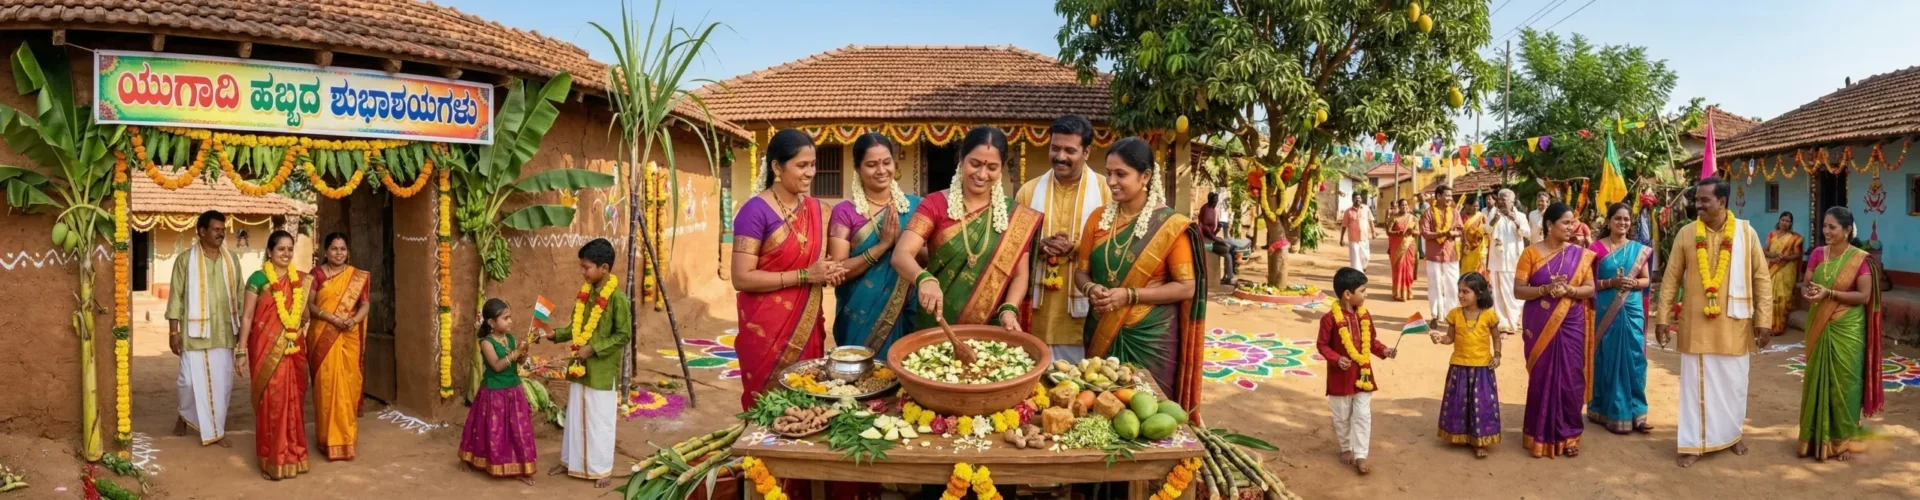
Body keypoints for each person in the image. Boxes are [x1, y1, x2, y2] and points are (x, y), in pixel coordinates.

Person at [1073, 137, 1207, 412]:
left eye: (1121, 174)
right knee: (1101, 410)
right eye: (1109, 173)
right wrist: (1091, 290)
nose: (1111, 181)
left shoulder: (1169, 226)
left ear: (1145, 176)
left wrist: (1129, 295)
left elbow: (1186, 287)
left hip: (1151, 337)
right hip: (1102, 328)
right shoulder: (1097, 219)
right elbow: (1081, 273)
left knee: (1150, 414)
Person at [1653, 177, 1772, 468]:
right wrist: (1662, 318)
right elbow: (1670, 279)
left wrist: (1764, 320)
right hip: (1696, 322)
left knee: (1734, 383)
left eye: (1704, 200)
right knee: (1695, 386)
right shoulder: (1686, 233)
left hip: (1735, 322)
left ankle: (1731, 436)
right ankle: (1694, 443)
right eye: (1697, 200)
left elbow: (1761, 278)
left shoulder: (1746, 233)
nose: (1698, 205)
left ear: (1722, 201)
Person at [732, 129, 844, 409]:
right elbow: (741, 276)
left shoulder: (820, 210)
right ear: (776, 167)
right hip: (765, 328)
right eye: (802, 165)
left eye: (813, 164)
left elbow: (825, 262)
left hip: (806, 324)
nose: (811, 173)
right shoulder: (754, 212)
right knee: (768, 408)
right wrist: (807, 275)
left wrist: (830, 271)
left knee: (808, 405)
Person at [894, 126, 1042, 331]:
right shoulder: (935, 204)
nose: (982, 174)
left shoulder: (1015, 215)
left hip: (991, 326)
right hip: (938, 322)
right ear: (961, 160)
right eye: (975, 164)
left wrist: (1009, 309)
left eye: (992, 167)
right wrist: (924, 279)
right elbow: (901, 254)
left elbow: (1020, 274)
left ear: (1001, 168)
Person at [1795, 207, 1886, 461]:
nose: (1826, 231)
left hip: (1848, 328)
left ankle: (1844, 441)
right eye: (1824, 226)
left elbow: (1864, 296)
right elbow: (1808, 283)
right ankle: (1814, 438)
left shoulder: (1860, 259)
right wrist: (1809, 292)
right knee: (1816, 379)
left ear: (1847, 231)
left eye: (1832, 227)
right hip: (1819, 323)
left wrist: (1830, 294)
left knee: (1846, 384)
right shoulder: (1816, 254)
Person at [1017, 115, 1110, 362]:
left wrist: (1078, 247)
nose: (1060, 157)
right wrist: (1038, 245)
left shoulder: (1105, 191)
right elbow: (1011, 245)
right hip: (1037, 313)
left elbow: (1116, 246)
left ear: (1087, 152)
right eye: (1055, 148)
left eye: (1070, 150)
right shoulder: (1028, 191)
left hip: (1084, 315)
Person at [543, 239, 635, 486]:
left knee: (599, 421)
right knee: (575, 417)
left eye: (587, 267)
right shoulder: (584, 294)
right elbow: (576, 327)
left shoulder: (617, 299)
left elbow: (624, 335)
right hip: (580, 368)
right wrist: (556, 335)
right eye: (582, 267)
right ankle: (570, 462)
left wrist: (593, 348)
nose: (583, 272)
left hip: (601, 370)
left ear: (604, 268)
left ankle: (601, 470)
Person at [829, 133, 923, 358]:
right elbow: (837, 270)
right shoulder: (845, 212)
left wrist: (903, 246)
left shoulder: (916, 207)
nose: (881, 170)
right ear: (858, 168)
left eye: (886, 162)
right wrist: (882, 246)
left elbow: (930, 259)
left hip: (907, 309)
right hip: (859, 314)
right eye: (872, 164)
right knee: (860, 380)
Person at [1513, 202, 1595, 459]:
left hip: (1570, 322)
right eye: (1566, 223)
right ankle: (1537, 434)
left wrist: (1570, 290)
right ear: (1550, 225)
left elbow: (1590, 289)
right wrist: (1546, 289)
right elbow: (1518, 290)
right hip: (1539, 322)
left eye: (1573, 222)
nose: (1572, 227)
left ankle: (1570, 435)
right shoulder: (1530, 254)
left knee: (1570, 379)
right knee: (1541, 377)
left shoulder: (1580, 254)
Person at [166, 211, 243, 448]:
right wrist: (173, 332)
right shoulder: (184, 260)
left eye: (223, 229)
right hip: (194, 333)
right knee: (187, 382)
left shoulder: (232, 260)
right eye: (216, 229)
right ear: (201, 231)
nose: (221, 233)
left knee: (222, 384)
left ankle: (216, 430)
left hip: (224, 331)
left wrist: (243, 330)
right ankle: (184, 413)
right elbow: (176, 297)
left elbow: (239, 295)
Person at [241, 230, 311, 480]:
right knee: (272, 403)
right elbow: (248, 316)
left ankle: (294, 456)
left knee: (293, 402)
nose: (286, 253)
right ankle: (272, 460)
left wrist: (302, 318)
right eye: (281, 249)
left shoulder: (300, 280)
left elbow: (303, 316)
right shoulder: (258, 279)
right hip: (265, 349)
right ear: (269, 251)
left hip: (293, 349)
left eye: (290, 249)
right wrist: (240, 350)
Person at [1316, 267, 1397, 475]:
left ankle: (1361, 454)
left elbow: (1372, 341)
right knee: (1342, 416)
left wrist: (1385, 350)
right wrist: (1336, 358)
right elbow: (1322, 345)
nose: (1366, 294)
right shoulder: (1329, 319)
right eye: (1363, 290)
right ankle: (1346, 447)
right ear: (1347, 294)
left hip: (1363, 375)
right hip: (1340, 377)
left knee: (1362, 414)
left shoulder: (1365, 315)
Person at [1588, 203, 1654, 435]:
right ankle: (1608, 411)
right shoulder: (1595, 249)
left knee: (1635, 357)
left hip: (1632, 308)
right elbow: (1587, 283)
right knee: (1608, 357)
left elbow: (1646, 280)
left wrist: (1633, 283)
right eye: (1618, 219)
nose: (1622, 223)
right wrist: (1610, 283)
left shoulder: (1638, 249)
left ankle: (1637, 413)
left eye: (1627, 220)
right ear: (1609, 221)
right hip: (1606, 309)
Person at [459, 299, 539, 484]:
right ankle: (471, 459)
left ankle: (519, 467)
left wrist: (523, 353)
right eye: (505, 318)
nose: (510, 321)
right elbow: (496, 365)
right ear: (492, 323)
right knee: (489, 429)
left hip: (514, 389)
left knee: (517, 431)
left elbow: (517, 363)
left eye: (510, 317)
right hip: (494, 393)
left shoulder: (510, 339)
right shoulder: (486, 343)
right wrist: (516, 353)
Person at [308, 233, 370, 461]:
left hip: (348, 334)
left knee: (348, 386)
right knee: (326, 388)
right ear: (326, 251)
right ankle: (327, 440)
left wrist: (353, 321)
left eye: (343, 249)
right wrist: (331, 318)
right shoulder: (317, 274)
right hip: (323, 333)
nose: (339, 253)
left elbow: (364, 304)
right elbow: (310, 305)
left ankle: (345, 440)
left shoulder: (357, 276)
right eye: (334, 249)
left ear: (348, 252)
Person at [1433, 272, 1502, 458]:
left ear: (1479, 293)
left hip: (1482, 368)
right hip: (1459, 366)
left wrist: (1497, 355)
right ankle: (1460, 435)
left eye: (1466, 292)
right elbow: (1450, 338)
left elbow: (1496, 337)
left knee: (1481, 403)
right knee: (1459, 402)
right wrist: (1441, 339)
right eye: (1459, 291)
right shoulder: (1455, 314)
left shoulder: (1489, 315)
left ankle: (1480, 441)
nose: (1461, 295)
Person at [1486, 189, 1530, 335]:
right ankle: (1503, 324)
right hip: (1497, 260)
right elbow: (1486, 230)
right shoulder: (1493, 213)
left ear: (1512, 200)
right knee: (1498, 293)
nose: (1502, 201)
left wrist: (1515, 220)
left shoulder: (1521, 216)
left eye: (1505, 199)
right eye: (1500, 198)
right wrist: (1494, 220)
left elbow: (1526, 233)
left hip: (1513, 259)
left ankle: (1514, 320)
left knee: (1513, 291)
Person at [1422, 185, 1464, 321]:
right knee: (1435, 285)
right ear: (1438, 196)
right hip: (1434, 255)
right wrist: (1443, 233)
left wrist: (1454, 233)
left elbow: (1460, 230)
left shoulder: (1455, 213)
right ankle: (1435, 315)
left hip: (1450, 254)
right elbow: (1425, 233)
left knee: (1452, 285)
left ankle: (1451, 315)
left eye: (1451, 196)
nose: (1450, 198)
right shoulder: (1428, 213)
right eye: (1447, 195)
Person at [1199, 192, 1251, 285]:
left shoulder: (1212, 209)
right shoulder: (1206, 211)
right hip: (1206, 243)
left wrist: (1218, 229)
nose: (1215, 203)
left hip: (1212, 239)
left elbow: (1212, 233)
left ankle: (1227, 276)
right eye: (1214, 201)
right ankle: (1230, 277)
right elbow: (1207, 233)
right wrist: (1221, 241)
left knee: (1231, 248)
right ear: (1210, 200)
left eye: (1216, 201)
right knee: (1227, 249)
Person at [1765, 212, 1804, 336]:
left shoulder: (1794, 238)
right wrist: (1774, 255)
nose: (1785, 223)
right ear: (1779, 220)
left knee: (1782, 298)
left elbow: (1797, 254)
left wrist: (1786, 258)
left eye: (1788, 221)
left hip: (1786, 270)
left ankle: (1779, 327)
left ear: (1791, 223)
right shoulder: (1772, 234)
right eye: (1783, 220)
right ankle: (1768, 326)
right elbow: (1764, 249)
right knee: (1769, 297)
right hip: (1772, 267)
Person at [1385, 199, 1418, 301]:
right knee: (1398, 268)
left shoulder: (1413, 218)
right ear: (1399, 206)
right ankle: (1397, 293)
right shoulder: (1394, 218)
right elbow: (1388, 231)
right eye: (1402, 205)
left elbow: (1418, 232)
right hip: (1397, 246)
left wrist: (1413, 231)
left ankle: (1408, 292)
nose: (1405, 207)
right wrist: (1398, 233)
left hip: (1409, 245)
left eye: (1406, 205)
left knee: (1408, 269)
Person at [1342, 192, 1373, 271]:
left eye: (1359, 198)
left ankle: (1363, 267)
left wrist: (1373, 232)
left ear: (1361, 199)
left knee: (1366, 256)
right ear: (1352, 200)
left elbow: (1370, 221)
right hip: (1353, 239)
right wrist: (1341, 238)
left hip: (1364, 238)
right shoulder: (1348, 211)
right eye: (1356, 198)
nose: (1357, 200)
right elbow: (1344, 225)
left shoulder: (1366, 209)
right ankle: (1357, 273)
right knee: (1355, 258)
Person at [1458, 196, 1488, 275]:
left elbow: (1487, 232)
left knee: (1479, 270)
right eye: (1473, 206)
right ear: (1468, 206)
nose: (1475, 208)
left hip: (1479, 248)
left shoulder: (1482, 216)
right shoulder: (1463, 216)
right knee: (1466, 269)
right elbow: (1460, 231)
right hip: (1467, 247)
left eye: (1477, 206)